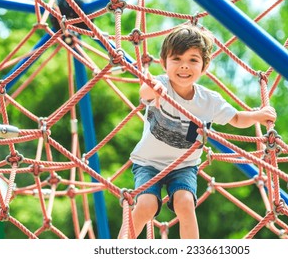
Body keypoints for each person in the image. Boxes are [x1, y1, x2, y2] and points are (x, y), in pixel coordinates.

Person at [118, 24, 277, 239]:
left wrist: (257, 115)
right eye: (177, 59)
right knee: (145, 204)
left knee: (185, 203)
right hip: (148, 163)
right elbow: (144, 91)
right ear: (164, 63)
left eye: (193, 60)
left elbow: (237, 119)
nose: (184, 66)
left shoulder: (209, 101)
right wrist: (154, 88)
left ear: (204, 66)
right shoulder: (160, 85)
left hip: (184, 166)